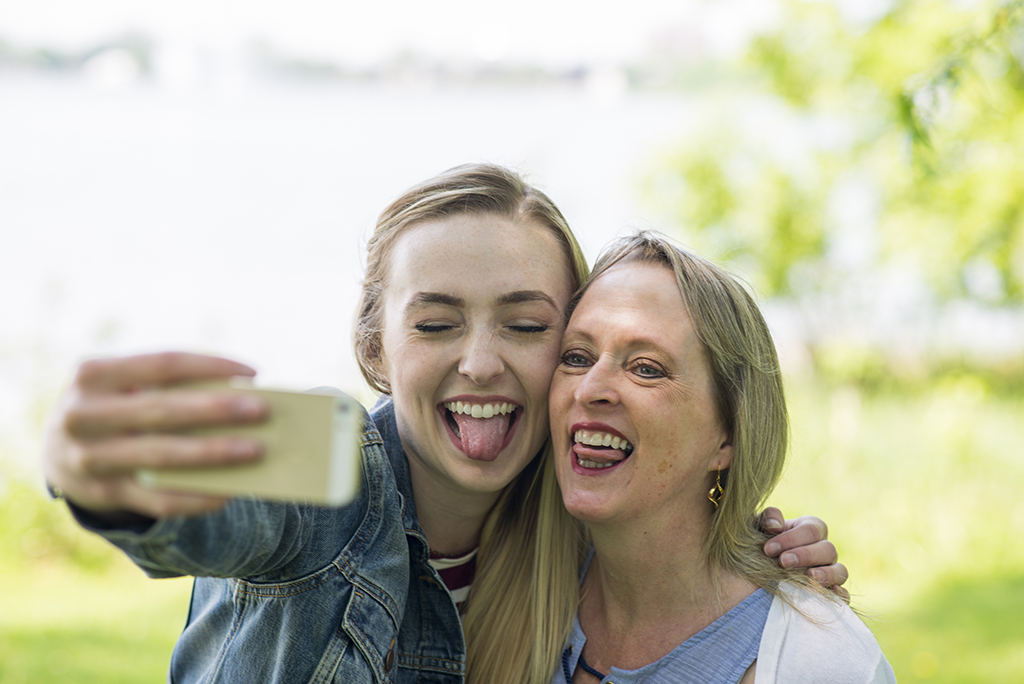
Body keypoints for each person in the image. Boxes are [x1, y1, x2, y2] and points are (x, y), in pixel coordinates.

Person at [42, 165, 846, 684]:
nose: (483, 363)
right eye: (435, 325)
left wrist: (762, 553)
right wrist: (108, 471)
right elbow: (218, 505)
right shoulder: (327, 471)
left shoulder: (567, 534)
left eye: (528, 328)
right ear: (375, 349)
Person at [546, 232, 894, 683]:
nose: (589, 388)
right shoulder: (523, 587)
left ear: (727, 437)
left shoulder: (816, 659)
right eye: (576, 356)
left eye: (646, 368)